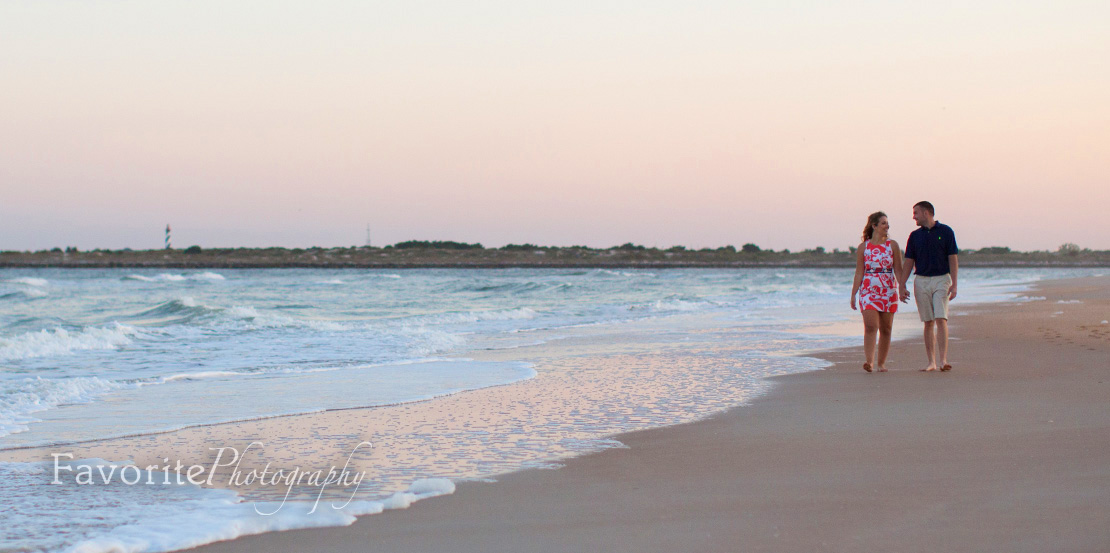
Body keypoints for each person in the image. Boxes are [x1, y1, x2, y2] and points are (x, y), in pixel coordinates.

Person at [898, 201, 958, 372]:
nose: (913, 217)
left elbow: (953, 258)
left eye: (915, 213)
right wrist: (901, 285)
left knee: (941, 318)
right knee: (928, 321)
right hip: (921, 280)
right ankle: (931, 362)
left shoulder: (946, 231)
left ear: (926, 213)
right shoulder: (914, 236)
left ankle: (943, 360)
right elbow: (908, 262)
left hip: (942, 279)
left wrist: (954, 284)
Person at [851, 211, 903, 372]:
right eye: (883, 223)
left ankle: (881, 363)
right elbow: (859, 272)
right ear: (874, 226)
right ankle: (869, 362)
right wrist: (853, 294)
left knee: (886, 328)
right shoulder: (863, 247)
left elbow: (898, 270)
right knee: (871, 325)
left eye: (887, 223)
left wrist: (903, 287)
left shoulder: (892, 245)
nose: (887, 226)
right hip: (868, 290)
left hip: (888, 289)